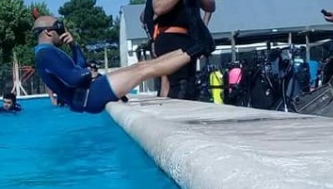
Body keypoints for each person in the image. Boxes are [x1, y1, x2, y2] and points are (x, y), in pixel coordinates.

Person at [33, 14, 209, 114]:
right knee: (143, 70)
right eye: (59, 28)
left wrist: (74, 45)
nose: (62, 31)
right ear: (49, 32)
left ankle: (193, 48)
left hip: (90, 92)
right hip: (90, 96)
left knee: (141, 67)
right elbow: (73, 78)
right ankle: (197, 49)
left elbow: (80, 66)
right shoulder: (45, 54)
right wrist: (89, 73)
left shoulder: (47, 53)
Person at [151, 0, 216, 100]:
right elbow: (158, 8)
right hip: (169, 37)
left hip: (189, 40)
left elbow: (211, 6)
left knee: (189, 85)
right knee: (177, 85)